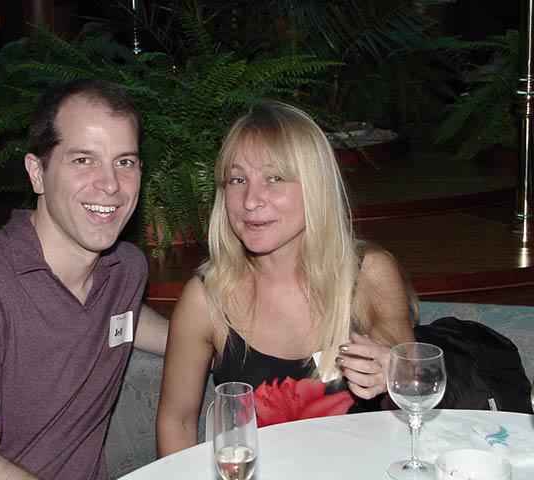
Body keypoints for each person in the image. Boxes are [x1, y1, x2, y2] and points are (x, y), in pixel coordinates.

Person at [0, 79, 168, 479]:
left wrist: (221, 343)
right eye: (83, 160)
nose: (110, 184)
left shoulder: (124, 271)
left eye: (124, 162)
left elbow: (120, 318)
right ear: (37, 173)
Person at [156, 101, 416, 457]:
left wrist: (394, 378)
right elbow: (178, 423)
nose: (251, 200)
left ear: (315, 186)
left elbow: (413, 390)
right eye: (237, 180)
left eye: (274, 178)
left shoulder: (367, 275)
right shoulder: (206, 299)